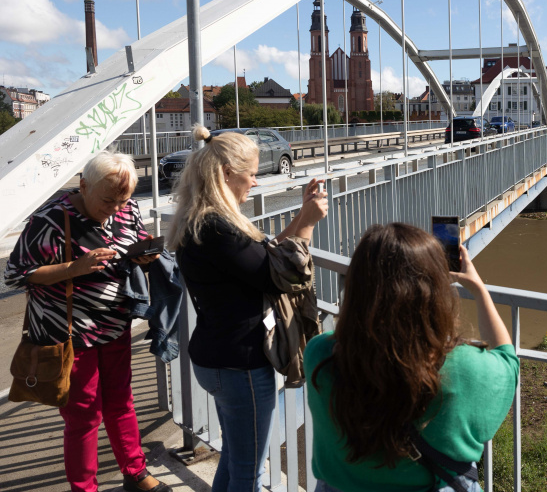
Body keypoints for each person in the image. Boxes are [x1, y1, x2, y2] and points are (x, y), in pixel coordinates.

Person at [169, 124, 328, 492]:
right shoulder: (217, 227)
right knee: (249, 472)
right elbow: (280, 276)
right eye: (252, 175)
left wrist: (301, 217)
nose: (255, 183)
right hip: (239, 364)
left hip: (216, 356)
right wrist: (307, 223)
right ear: (227, 174)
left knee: (235, 456)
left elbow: (262, 259)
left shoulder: (203, 219)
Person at [305, 223, 518, 492]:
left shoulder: (321, 356)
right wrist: (479, 290)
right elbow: (508, 361)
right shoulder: (465, 368)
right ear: (435, 293)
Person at [3, 151, 169, 492]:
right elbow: (14, 276)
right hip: (70, 335)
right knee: (84, 416)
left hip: (115, 326)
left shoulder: (127, 209)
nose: (115, 208)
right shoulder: (49, 220)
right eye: (108, 200)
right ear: (83, 185)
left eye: (122, 200)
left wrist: (146, 256)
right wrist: (72, 269)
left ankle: (135, 471)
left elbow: (134, 243)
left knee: (121, 402)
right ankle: (84, 488)